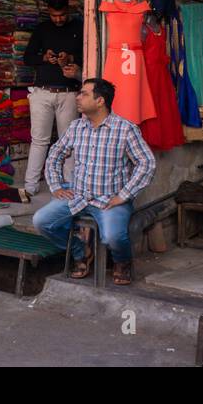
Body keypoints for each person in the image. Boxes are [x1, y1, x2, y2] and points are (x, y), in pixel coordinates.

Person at [32, 78, 156, 286]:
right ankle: (81, 251)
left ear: (100, 101)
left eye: (83, 94)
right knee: (41, 221)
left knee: (113, 238)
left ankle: (121, 261)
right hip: (77, 195)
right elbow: (55, 155)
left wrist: (124, 196)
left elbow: (147, 163)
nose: (78, 98)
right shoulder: (76, 127)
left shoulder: (125, 129)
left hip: (109, 200)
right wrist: (56, 186)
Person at [21, 0, 82, 199]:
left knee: (69, 142)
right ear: (48, 11)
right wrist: (44, 57)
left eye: (62, 15)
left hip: (69, 93)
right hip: (42, 93)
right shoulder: (41, 29)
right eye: (54, 15)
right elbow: (27, 58)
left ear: (68, 10)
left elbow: (88, 53)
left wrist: (71, 58)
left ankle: (69, 185)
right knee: (39, 140)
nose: (58, 19)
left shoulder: (79, 28)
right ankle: (30, 186)